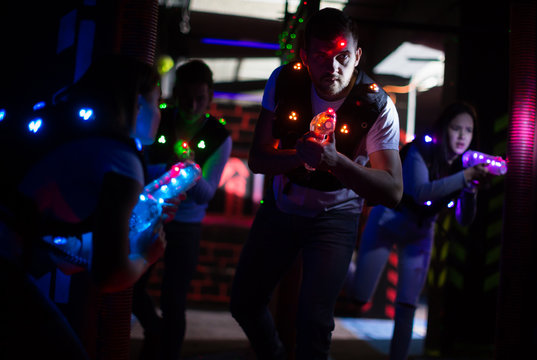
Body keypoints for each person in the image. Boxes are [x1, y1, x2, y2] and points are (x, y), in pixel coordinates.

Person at [229, 8, 403, 360]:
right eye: (322, 57)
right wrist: (300, 156)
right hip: (281, 206)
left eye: (342, 57)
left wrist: (335, 161)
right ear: (305, 57)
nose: (333, 68)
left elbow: (393, 190)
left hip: (336, 215)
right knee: (244, 302)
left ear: (357, 56)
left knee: (314, 322)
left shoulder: (377, 104)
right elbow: (258, 159)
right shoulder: (285, 80)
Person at [0, 54, 171, 359]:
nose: (161, 113)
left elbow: (68, 257)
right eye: (157, 102)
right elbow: (109, 275)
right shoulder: (122, 160)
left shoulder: (81, 137)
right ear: (137, 104)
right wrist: (146, 254)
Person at [345, 101, 492, 360]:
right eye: (456, 128)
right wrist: (465, 177)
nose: (461, 136)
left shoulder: (465, 164)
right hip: (388, 221)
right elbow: (420, 191)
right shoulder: (421, 149)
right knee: (359, 295)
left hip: (422, 231)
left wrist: (470, 191)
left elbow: (464, 219)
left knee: (407, 304)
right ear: (444, 128)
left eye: (467, 131)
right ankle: (341, 260)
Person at [132, 59, 232, 360]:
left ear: (210, 97)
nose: (192, 105)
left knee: (174, 300)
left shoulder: (219, 136)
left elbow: (205, 196)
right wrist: (170, 171)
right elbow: (140, 171)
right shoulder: (157, 119)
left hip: (187, 226)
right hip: (149, 219)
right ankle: (154, 331)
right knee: (132, 285)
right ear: (175, 94)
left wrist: (188, 172)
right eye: (186, 97)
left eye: (200, 99)